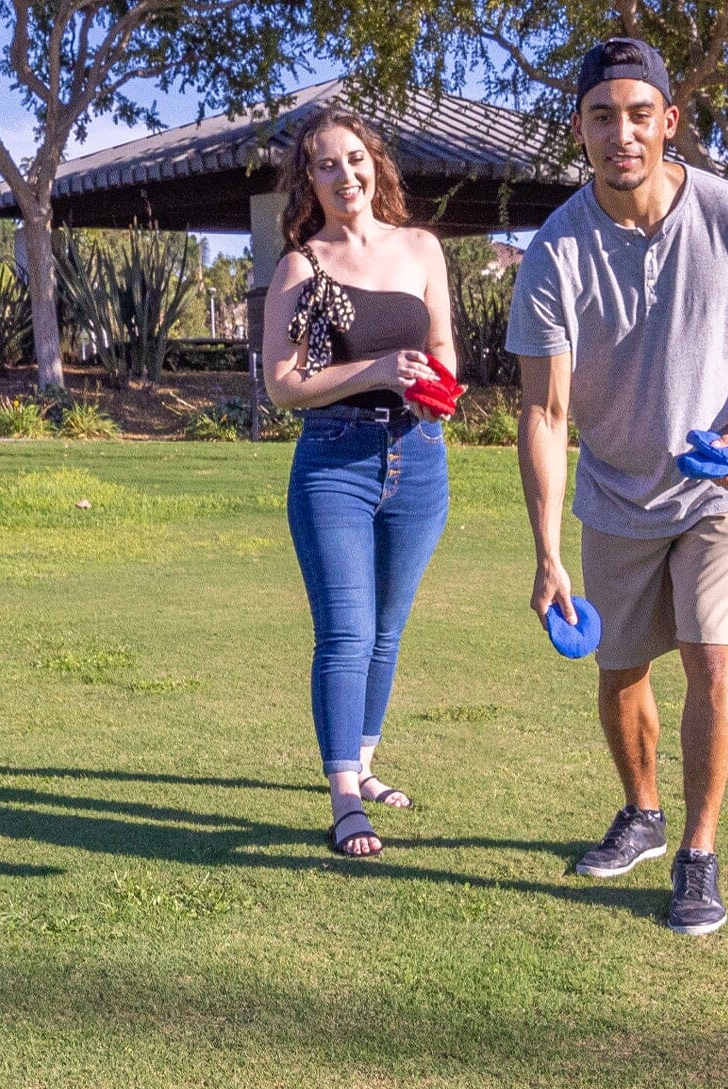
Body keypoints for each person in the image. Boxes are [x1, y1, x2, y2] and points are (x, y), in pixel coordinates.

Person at [508, 35, 728, 937]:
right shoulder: (555, 253)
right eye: (603, 116)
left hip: (720, 485)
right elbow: (546, 413)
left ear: (669, 122)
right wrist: (549, 554)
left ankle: (699, 854)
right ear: (581, 129)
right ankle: (643, 813)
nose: (622, 134)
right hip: (615, 489)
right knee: (621, 666)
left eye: (640, 115)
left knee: (713, 653)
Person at [263, 108, 457, 861]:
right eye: (325, 166)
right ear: (307, 182)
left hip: (420, 457)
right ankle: (344, 796)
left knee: (386, 630)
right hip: (333, 465)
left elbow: (441, 347)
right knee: (346, 631)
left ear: (376, 164)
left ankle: (366, 764)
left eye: (355, 160)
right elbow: (282, 385)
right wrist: (375, 371)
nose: (345, 176)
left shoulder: (421, 249)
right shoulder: (301, 266)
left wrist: (432, 387)